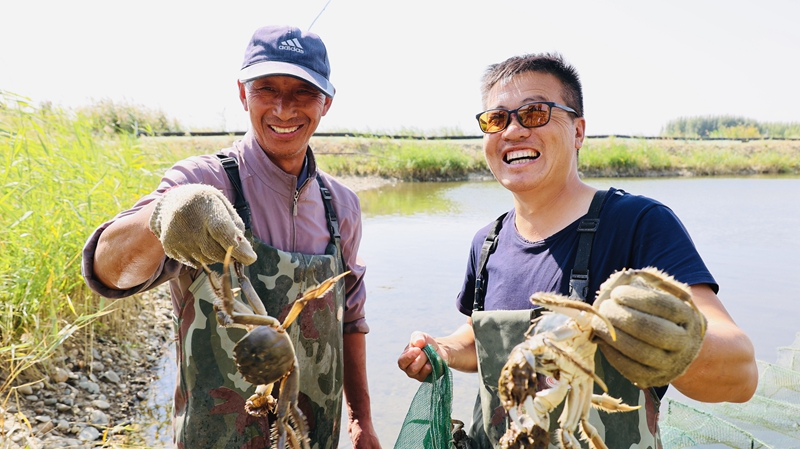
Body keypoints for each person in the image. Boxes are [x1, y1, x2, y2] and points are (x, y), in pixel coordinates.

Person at [396, 53, 758, 447]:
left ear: (578, 131)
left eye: (534, 113)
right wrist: (444, 349)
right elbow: (479, 334)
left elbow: (741, 375)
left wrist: (673, 342)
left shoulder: (638, 224)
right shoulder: (487, 243)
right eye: (496, 119)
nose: (513, 130)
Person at [83, 25, 381, 448]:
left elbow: (350, 319)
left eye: (303, 92)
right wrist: (162, 215)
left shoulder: (342, 205)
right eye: (267, 88)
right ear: (242, 94)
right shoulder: (204, 181)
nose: (283, 109)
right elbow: (107, 272)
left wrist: (360, 419)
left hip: (313, 434)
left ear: (326, 103)